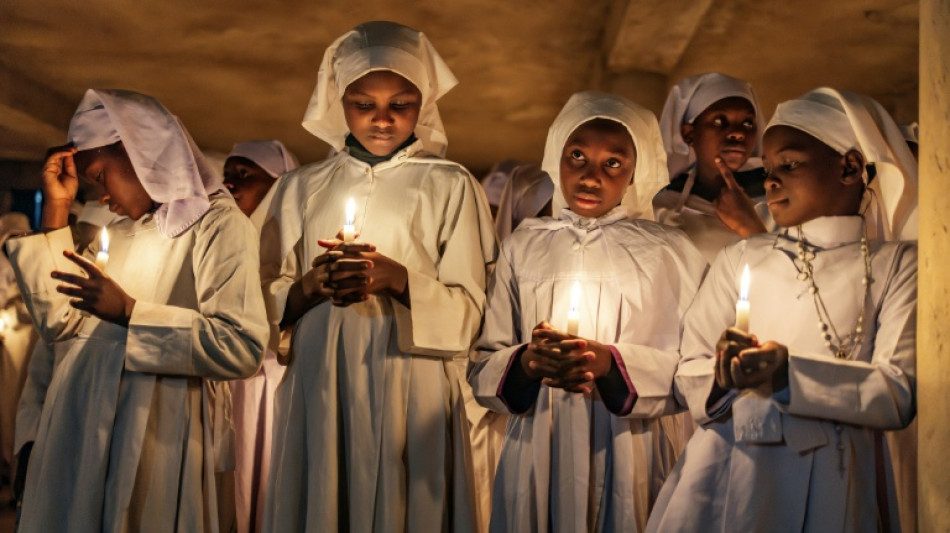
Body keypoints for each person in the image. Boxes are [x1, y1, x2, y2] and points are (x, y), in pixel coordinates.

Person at [646, 87, 918, 532]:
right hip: (726, 463)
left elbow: (897, 391)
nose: (770, 181)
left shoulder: (897, 265)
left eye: (788, 165)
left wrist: (786, 375)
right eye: (769, 169)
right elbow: (689, 367)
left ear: (850, 166)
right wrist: (723, 370)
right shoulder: (744, 258)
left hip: (834, 471)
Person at [260, 21, 496, 532]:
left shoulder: (450, 185)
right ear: (339, 102)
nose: (383, 120)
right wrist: (308, 288)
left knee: (405, 501)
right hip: (322, 380)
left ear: (424, 105)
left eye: (401, 104)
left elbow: (473, 309)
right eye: (364, 104)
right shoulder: (301, 188)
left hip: (410, 380)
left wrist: (397, 279)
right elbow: (261, 297)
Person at [5, 89, 268, 532]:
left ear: (141, 150)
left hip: (152, 429)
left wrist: (130, 312)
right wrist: (56, 208)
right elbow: (56, 323)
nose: (102, 197)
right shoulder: (119, 232)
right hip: (77, 419)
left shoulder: (217, 224)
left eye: (100, 176)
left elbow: (240, 347)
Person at [468, 91, 706, 532]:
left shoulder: (668, 252)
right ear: (556, 155)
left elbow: (696, 367)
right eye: (576, 156)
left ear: (637, 171)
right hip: (540, 439)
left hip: (628, 445)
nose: (591, 176)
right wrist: (525, 360)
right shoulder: (525, 244)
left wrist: (611, 364)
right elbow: (484, 360)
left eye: (612, 163)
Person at [223, 140, 299, 533]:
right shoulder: (222, 240)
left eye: (245, 175)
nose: (230, 186)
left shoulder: (297, 241)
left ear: (281, 184)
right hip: (230, 382)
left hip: (276, 381)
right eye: (227, 177)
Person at [653, 72, 771, 262]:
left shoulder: (775, 200)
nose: (737, 133)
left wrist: (751, 226)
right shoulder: (663, 207)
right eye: (719, 121)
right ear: (689, 133)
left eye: (748, 123)